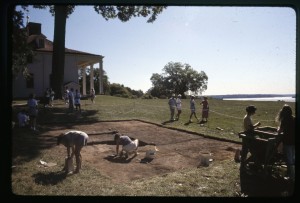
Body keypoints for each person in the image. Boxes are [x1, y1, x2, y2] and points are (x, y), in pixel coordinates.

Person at [276, 104, 295, 181]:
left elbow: (280, 131)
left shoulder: (284, 120)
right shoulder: (294, 118)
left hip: (288, 141)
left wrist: (278, 128)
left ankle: (292, 177)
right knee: (293, 158)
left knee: (289, 159)